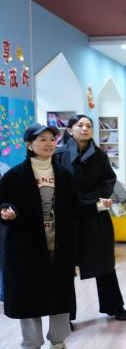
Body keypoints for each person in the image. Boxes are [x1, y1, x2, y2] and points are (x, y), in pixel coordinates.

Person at [0, 123, 75, 349]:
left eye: (52, 139)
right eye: (42, 139)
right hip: (27, 247)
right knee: (28, 296)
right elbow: (4, 202)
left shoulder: (64, 174)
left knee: (60, 295)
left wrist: (97, 206)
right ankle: (31, 343)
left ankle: (58, 341)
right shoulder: (14, 176)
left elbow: (74, 206)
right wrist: (7, 211)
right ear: (29, 144)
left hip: (59, 245)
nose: (49, 144)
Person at [54, 115, 126, 322]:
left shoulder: (100, 155)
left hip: (95, 215)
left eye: (88, 125)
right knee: (64, 268)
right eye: (80, 125)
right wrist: (74, 201)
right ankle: (64, 316)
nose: (85, 128)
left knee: (104, 264)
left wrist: (89, 200)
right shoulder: (58, 155)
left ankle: (114, 306)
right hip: (67, 218)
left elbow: (109, 181)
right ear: (70, 130)